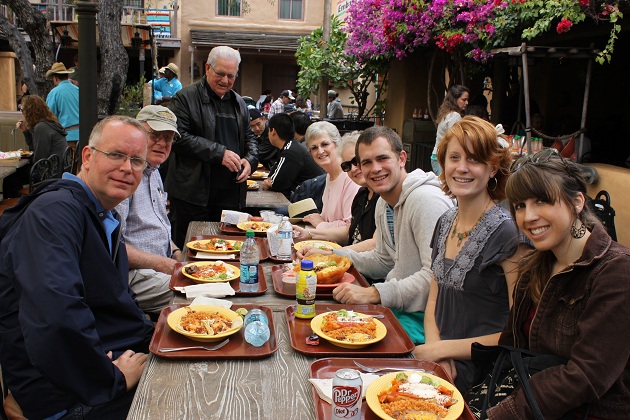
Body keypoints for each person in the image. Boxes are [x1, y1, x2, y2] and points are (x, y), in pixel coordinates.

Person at [0, 116, 154, 419]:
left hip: (98, 358)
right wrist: (114, 380)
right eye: (116, 155)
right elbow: (55, 316)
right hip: (64, 392)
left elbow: (112, 296)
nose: (127, 168)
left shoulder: (100, 214)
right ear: (87, 156)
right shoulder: (55, 211)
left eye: (137, 160)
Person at [484, 149, 630, 419]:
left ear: (577, 201)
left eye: (542, 201)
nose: (528, 217)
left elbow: (586, 376)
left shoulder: (617, 272)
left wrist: (504, 412)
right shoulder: (533, 268)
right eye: (520, 206)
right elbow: (510, 346)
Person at [300, 126, 454, 344]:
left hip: (430, 322)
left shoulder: (426, 200)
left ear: (401, 158)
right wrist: (333, 257)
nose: (375, 169)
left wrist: (375, 293)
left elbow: (435, 278)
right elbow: (383, 259)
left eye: (382, 158)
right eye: (367, 162)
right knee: (315, 324)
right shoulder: (384, 202)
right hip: (398, 309)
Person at [413, 116, 526, 392]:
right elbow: (433, 300)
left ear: (493, 168)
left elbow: (518, 332)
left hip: (484, 377)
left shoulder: (509, 234)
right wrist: (436, 349)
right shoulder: (445, 221)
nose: (462, 168)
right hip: (440, 364)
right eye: (454, 157)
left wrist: (442, 350)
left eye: (474, 159)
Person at [166, 46, 258, 247]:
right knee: (190, 247)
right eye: (220, 74)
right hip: (192, 193)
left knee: (227, 247)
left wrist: (250, 160)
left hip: (230, 193)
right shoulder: (184, 98)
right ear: (207, 68)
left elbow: (250, 138)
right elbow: (178, 137)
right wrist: (219, 153)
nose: (225, 81)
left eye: (231, 76)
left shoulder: (239, 103)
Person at [115, 105, 182, 319]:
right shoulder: (125, 174)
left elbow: (158, 225)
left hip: (160, 267)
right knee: (200, 293)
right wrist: (166, 265)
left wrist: (177, 254)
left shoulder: (154, 171)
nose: (162, 143)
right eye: (155, 135)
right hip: (131, 275)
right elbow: (113, 246)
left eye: (168, 138)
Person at [294, 131, 379, 251]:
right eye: (347, 166)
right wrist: (309, 233)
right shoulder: (362, 195)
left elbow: (375, 245)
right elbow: (351, 232)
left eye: (358, 161)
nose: (354, 168)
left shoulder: (384, 197)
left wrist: (332, 253)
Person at [3, 95, 69, 198]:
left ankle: (17, 207)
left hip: (49, 172)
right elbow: (38, 149)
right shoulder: (51, 123)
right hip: (58, 169)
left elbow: (39, 159)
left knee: (10, 178)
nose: (22, 112)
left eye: (22, 109)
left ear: (30, 111)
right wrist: (26, 131)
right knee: (17, 175)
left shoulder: (41, 128)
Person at [303, 121, 361, 229]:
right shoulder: (330, 176)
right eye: (314, 148)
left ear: (337, 144)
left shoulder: (351, 176)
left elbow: (351, 227)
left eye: (325, 144)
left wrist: (320, 224)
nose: (320, 151)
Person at [262, 113, 324, 198]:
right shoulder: (289, 146)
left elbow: (277, 185)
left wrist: (269, 183)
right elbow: (273, 174)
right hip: (306, 196)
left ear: (273, 131)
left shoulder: (290, 151)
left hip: (310, 202)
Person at [431, 84, 469, 175]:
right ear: (455, 99)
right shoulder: (455, 116)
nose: (467, 103)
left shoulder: (447, 113)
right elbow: (456, 139)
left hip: (437, 156)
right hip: (442, 158)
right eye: (464, 100)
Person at [45, 61, 80, 147]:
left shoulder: (54, 93)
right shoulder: (78, 90)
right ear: (67, 76)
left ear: (55, 78)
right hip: (82, 136)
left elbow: (50, 117)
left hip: (66, 137)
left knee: (68, 160)